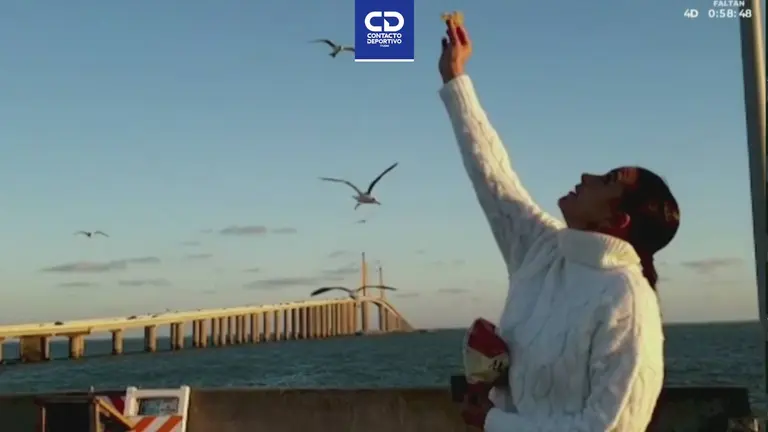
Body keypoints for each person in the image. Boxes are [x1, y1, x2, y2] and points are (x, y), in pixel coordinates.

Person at [438, 17, 680, 432]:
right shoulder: (543, 249)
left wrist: (494, 422)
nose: (586, 176)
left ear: (615, 220)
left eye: (605, 181)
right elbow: (493, 176)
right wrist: (456, 78)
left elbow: (610, 428)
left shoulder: (628, 301)